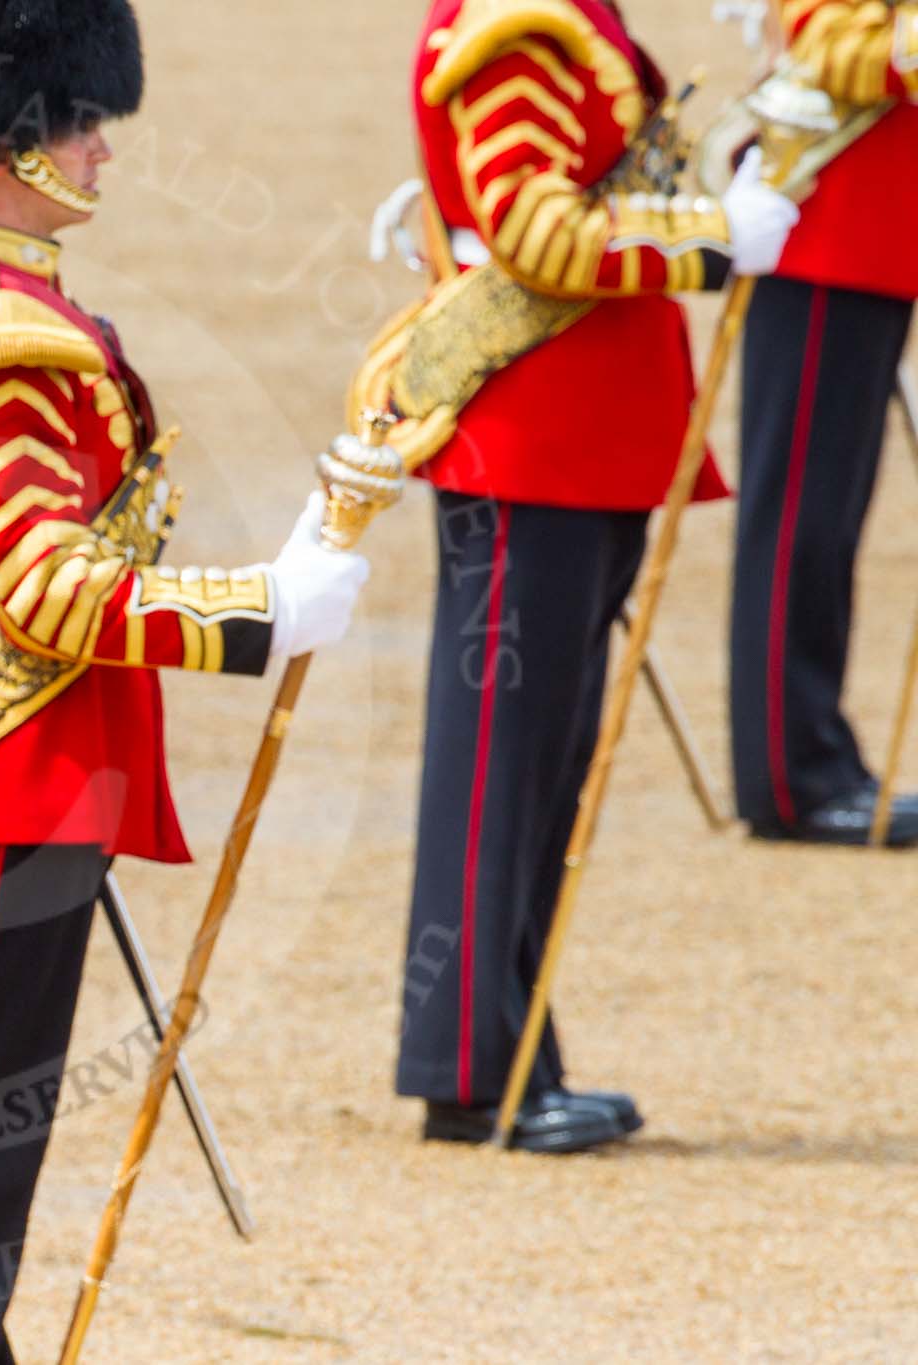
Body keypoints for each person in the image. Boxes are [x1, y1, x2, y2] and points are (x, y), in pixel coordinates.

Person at [0, 4, 369, 1359]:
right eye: (72, 119)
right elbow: (43, 591)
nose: (100, 147)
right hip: (5, 764)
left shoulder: (13, 298)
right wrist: (257, 613)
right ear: (1, 141)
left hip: (36, 766)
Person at [390, 0, 800, 1151]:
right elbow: (531, 230)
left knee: (542, 761)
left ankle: (514, 1050)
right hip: (533, 431)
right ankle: (472, 1071)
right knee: (499, 769)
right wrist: (707, 239)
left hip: (584, 429)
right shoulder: (515, 27)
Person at [729, 0, 918, 846]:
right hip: (829, 232)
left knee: (836, 513)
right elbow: (828, 41)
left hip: (884, 235)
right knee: (803, 519)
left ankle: (819, 756)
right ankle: (791, 776)